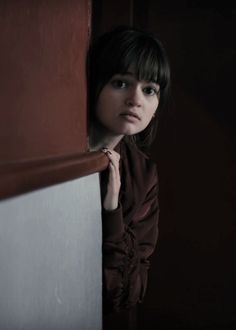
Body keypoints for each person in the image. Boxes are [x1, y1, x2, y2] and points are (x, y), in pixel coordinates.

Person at [87, 26, 170, 319]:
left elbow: (128, 294)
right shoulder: (56, 145)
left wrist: (112, 212)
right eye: (121, 83)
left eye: (149, 90)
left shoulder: (143, 174)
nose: (136, 99)